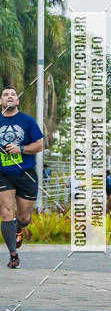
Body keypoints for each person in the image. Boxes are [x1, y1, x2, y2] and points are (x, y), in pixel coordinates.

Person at [0, 87, 43, 268]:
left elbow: (39, 145)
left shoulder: (27, 121)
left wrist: (21, 149)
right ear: (1, 101)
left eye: (13, 95)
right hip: (3, 174)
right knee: (6, 212)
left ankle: (17, 229)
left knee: (24, 217)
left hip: (25, 173)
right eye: (5, 94)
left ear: (17, 101)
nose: (9, 96)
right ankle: (13, 255)